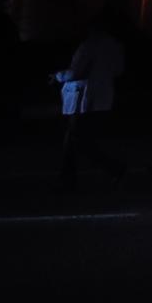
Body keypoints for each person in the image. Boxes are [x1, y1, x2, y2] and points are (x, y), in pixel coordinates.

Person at [57, 12, 128, 189]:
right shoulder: (115, 46)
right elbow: (118, 70)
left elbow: (75, 72)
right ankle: (70, 178)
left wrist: (58, 76)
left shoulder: (88, 46)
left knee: (76, 138)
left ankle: (112, 168)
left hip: (83, 97)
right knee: (77, 138)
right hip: (103, 96)